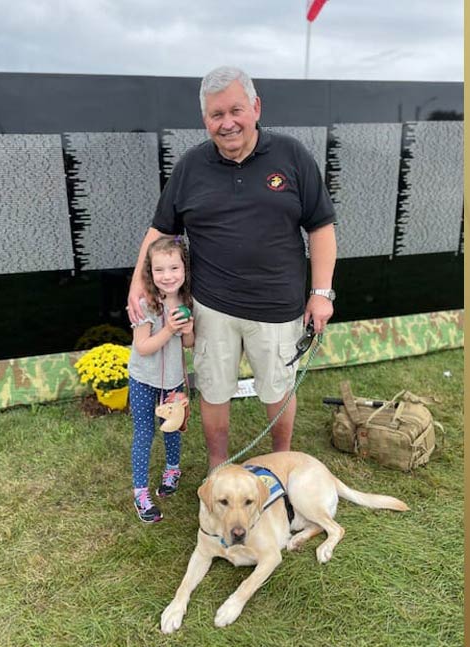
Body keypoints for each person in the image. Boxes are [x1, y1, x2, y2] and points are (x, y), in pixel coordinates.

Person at [127, 65, 337, 471]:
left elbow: (321, 227)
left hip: (278, 306)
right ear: (205, 119)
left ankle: (282, 462)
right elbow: (160, 229)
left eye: (235, 110)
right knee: (214, 391)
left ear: (255, 107)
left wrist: (322, 293)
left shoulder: (291, 156)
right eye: (216, 115)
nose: (227, 123)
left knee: (277, 388)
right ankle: (218, 465)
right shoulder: (191, 167)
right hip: (212, 308)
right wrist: (138, 283)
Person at [128, 235, 195, 523]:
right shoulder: (145, 303)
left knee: (173, 425)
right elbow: (143, 348)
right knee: (145, 431)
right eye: (159, 270)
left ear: (184, 269)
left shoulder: (187, 301)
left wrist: (188, 329)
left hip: (173, 381)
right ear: (149, 272)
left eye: (174, 268)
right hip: (144, 378)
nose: (167, 276)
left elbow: (189, 343)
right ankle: (140, 491)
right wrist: (168, 328)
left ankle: (172, 469)